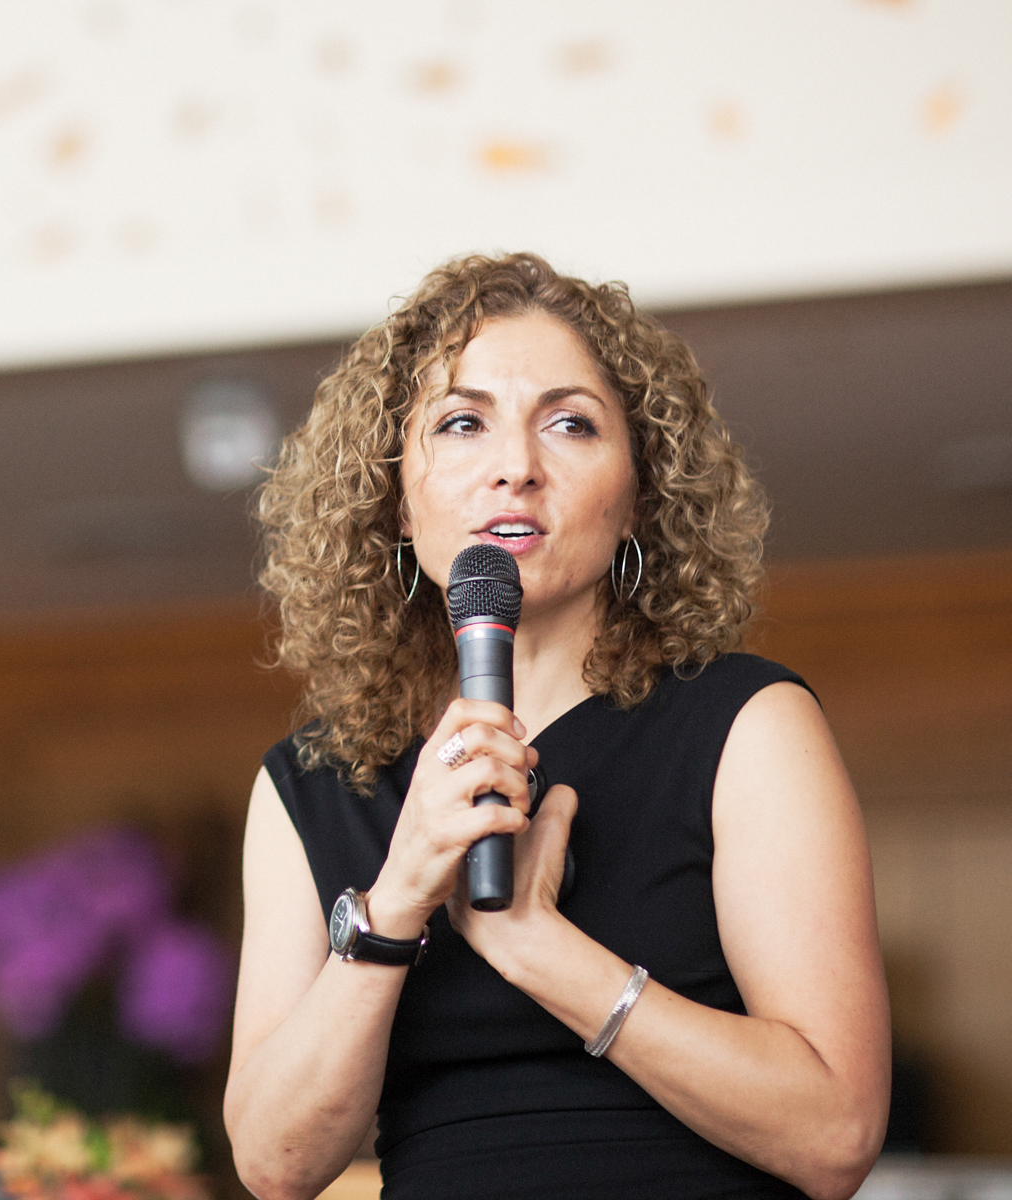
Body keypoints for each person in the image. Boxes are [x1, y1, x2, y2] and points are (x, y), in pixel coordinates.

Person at [224, 253, 890, 1200]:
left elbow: (837, 1136)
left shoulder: (748, 725)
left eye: (570, 424)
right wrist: (400, 894)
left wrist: (538, 945)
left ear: (638, 499)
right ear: (393, 499)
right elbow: (275, 1164)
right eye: (462, 423)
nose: (516, 468)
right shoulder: (313, 782)